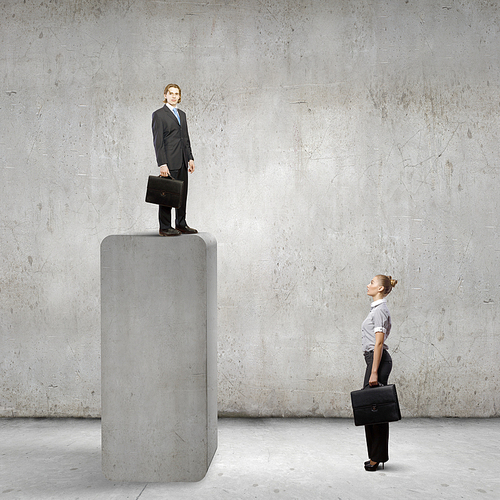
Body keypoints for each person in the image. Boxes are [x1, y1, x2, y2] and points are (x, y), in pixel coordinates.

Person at [361, 274, 398, 471]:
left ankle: (377, 457)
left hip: (378, 361)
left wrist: (374, 372)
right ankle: (376, 455)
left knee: (374, 410)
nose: (368, 285)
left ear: (381, 289)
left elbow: (379, 343)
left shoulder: (380, 311)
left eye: (372, 283)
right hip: (375, 360)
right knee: (373, 410)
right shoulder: (376, 309)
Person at [152, 84, 197, 236]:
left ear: (179, 96)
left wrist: (190, 158)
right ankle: (165, 227)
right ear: (165, 95)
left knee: (182, 194)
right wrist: (162, 163)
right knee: (167, 195)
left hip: (183, 160)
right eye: (170, 93)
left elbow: (185, 138)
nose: (173, 96)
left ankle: (181, 224)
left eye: (176, 94)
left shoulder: (182, 114)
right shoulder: (159, 115)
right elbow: (158, 142)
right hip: (169, 162)